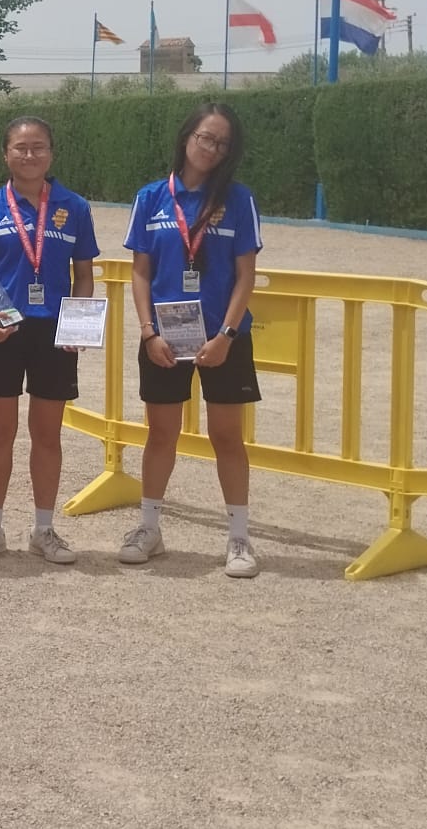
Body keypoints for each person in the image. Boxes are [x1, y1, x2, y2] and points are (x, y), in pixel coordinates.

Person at [121, 103, 264, 578]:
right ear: (187, 137)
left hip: (223, 337)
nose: (212, 149)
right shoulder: (150, 197)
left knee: (227, 436)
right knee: (162, 432)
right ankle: (149, 529)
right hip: (165, 336)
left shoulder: (239, 199)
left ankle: (239, 538)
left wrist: (226, 333)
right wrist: (148, 334)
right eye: (206, 138)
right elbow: (141, 274)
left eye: (222, 143)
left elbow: (246, 277)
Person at [0, 116, 100, 564]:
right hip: (2, 328)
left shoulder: (74, 206)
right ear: (6, 154)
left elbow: (83, 274)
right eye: (20, 147)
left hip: (54, 331)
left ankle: (44, 529)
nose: (29, 155)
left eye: (38, 147)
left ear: (51, 153)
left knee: (47, 434)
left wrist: (77, 324)